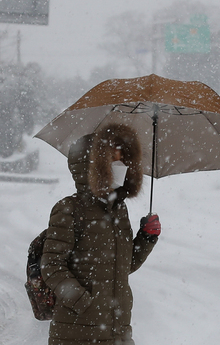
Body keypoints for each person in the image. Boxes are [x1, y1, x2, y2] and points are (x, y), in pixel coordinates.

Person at [41, 124, 161, 345]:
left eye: (123, 158)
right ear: (94, 166)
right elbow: (52, 266)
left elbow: (124, 266)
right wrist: (85, 303)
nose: (121, 164)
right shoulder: (69, 208)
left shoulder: (119, 210)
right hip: (77, 334)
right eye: (114, 158)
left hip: (118, 331)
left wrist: (146, 238)